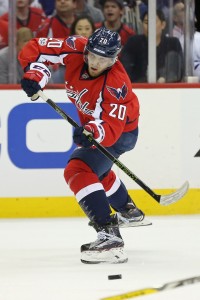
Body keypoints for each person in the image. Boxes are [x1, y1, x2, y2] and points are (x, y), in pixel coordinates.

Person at [18, 27, 151, 264]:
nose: (97, 63)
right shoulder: (74, 47)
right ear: (86, 50)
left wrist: (92, 132)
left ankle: (110, 237)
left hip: (122, 133)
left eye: (105, 59)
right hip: (101, 127)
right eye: (93, 56)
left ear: (115, 58)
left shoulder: (116, 83)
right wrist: (35, 75)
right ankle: (128, 211)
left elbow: (110, 128)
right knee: (98, 171)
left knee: (79, 169)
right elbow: (37, 48)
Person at [120, 9, 184, 83]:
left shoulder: (173, 43)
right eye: (146, 22)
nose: (149, 26)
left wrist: (163, 79)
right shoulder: (133, 42)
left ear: (163, 25)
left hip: (168, 90)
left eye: (153, 22)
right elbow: (125, 69)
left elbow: (177, 71)